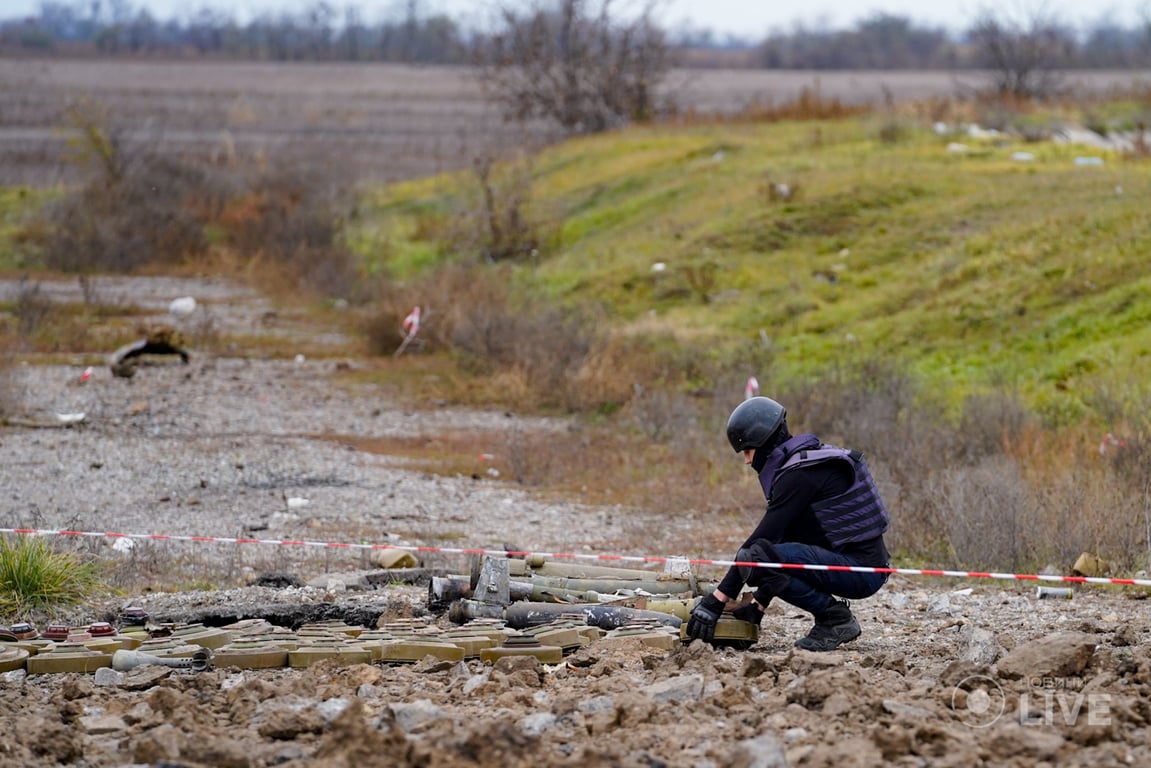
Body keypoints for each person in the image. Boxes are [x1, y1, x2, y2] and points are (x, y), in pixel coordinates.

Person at [685, 396, 891, 652]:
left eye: (747, 451)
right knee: (765, 554)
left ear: (762, 443)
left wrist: (716, 601)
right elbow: (780, 541)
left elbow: (759, 544)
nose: (747, 461)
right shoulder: (802, 465)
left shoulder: (800, 474)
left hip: (861, 573)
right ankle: (832, 617)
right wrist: (757, 606)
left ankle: (835, 619)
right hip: (860, 566)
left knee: (754, 555)